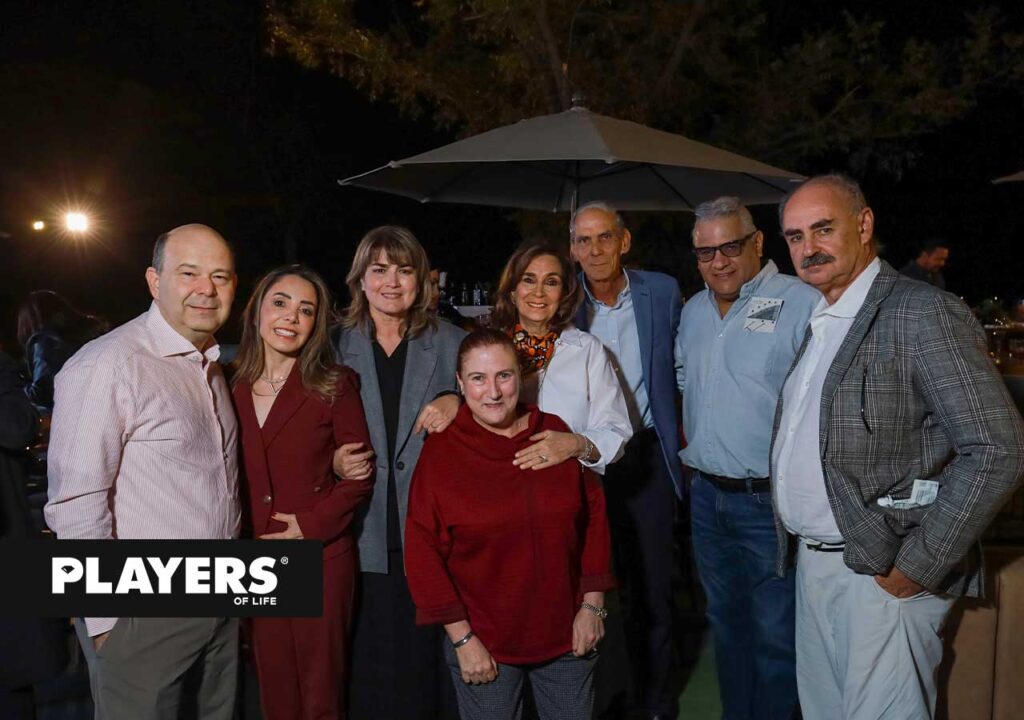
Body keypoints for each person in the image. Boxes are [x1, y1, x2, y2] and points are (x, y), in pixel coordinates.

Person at [773, 174, 1024, 719]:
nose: (808, 248)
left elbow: (997, 447)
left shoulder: (920, 312)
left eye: (822, 228)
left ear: (864, 225)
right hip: (816, 568)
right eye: (795, 236)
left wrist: (916, 565)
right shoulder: (821, 318)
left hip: (881, 572)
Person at [45, 223, 241, 719]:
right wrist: (107, 621)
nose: (207, 289)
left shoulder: (211, 366)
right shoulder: (110, 364)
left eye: (221, 276)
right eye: (189, 273)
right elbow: (75, 504)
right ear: (154, 282)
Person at [405, 328, 615, 720]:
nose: (494, 392)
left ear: (522, 377)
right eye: (478, 379)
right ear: (460, 384)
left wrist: (593, 606)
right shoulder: (443, 451)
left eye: (503, 375)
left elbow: (595, 521)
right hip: (484, 643)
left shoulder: (553, 432)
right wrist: (462, 639)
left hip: (568, 635)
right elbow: (422, 551)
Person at [674, 197, 817, 720]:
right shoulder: (692, 311)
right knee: (727, 629)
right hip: (707, 500)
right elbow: (686, 381)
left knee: (778, 637)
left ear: (758, 243)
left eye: (730, 246)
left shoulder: (801, 302)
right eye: (706, 252)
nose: (719, 261)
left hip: (768, 504)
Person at [333, 225, 465, 720]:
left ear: (422, 280)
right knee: (364, 666)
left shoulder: (452, 341)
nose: (392, 282)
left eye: (405, 270)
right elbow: (308, 428)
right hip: (359, 532)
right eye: (380, 269)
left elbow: (492, 409)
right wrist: (331, 461)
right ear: (360, 279)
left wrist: (458, 401)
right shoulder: (329, 343)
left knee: (424, 673)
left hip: (429, 534)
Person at [231, 265, 374, 719]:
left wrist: (310, 527)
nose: (291, 317)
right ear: (256, 311)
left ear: (316, 324)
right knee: (273, 690)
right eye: (280, 303)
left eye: (305, 310)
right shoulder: (225, 383)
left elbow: (360, 475)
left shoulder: (335, 383)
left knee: (320, 693)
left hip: (319, 558)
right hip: (253, 561)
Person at [569, 201, 682, 720]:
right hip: (583, 462)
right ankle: (598, 697)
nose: (594, 250)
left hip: (648, 457)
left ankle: (655, 701)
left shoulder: (661, 292)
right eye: (583, 240)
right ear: (572, 249)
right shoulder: (563, 301)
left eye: (604, 238)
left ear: (624, 241)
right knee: (585, 585)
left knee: (652, 587)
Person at [490, 239, 631, 476]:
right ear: (513, 292)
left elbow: (615, 431)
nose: (538, 292)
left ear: (564, 294)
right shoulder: (489, 349)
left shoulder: (588, 350)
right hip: (500, 482)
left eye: (551, 282)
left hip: (567, 485)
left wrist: (574, 444)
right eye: (528, 279)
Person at [16, 290, 106, 409]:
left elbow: (44, 393)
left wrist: (14, 388)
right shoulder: (89, 331)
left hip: (80, 414)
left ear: (27, 319)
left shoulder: (46, 341)